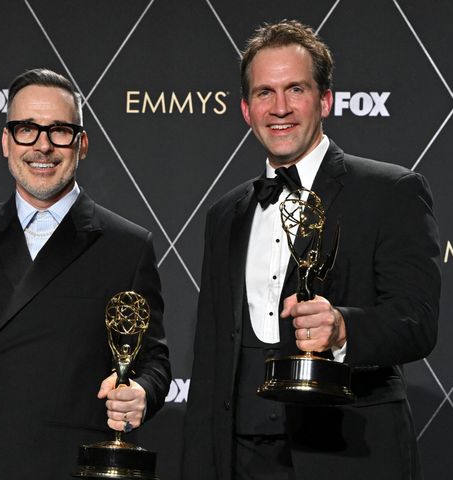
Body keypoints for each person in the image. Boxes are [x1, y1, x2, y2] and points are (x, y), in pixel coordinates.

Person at [182, 20, 440, 480]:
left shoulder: (390, 191)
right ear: (245, 109)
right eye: (264, 93)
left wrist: (343, 328)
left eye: (295, 89)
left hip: (346, 453)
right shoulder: (225, 214)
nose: (279, 108)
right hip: (240, 456)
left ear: (325, 100)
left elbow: (416, 322)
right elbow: (210, 360)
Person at [0, 68, 171, 479]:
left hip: (70, 464)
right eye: (26, 129)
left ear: (82, 143)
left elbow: (154, 362)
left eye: (59, 130)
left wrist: (141, 392)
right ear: (6, 142)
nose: (42, 146)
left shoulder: (127, 246)